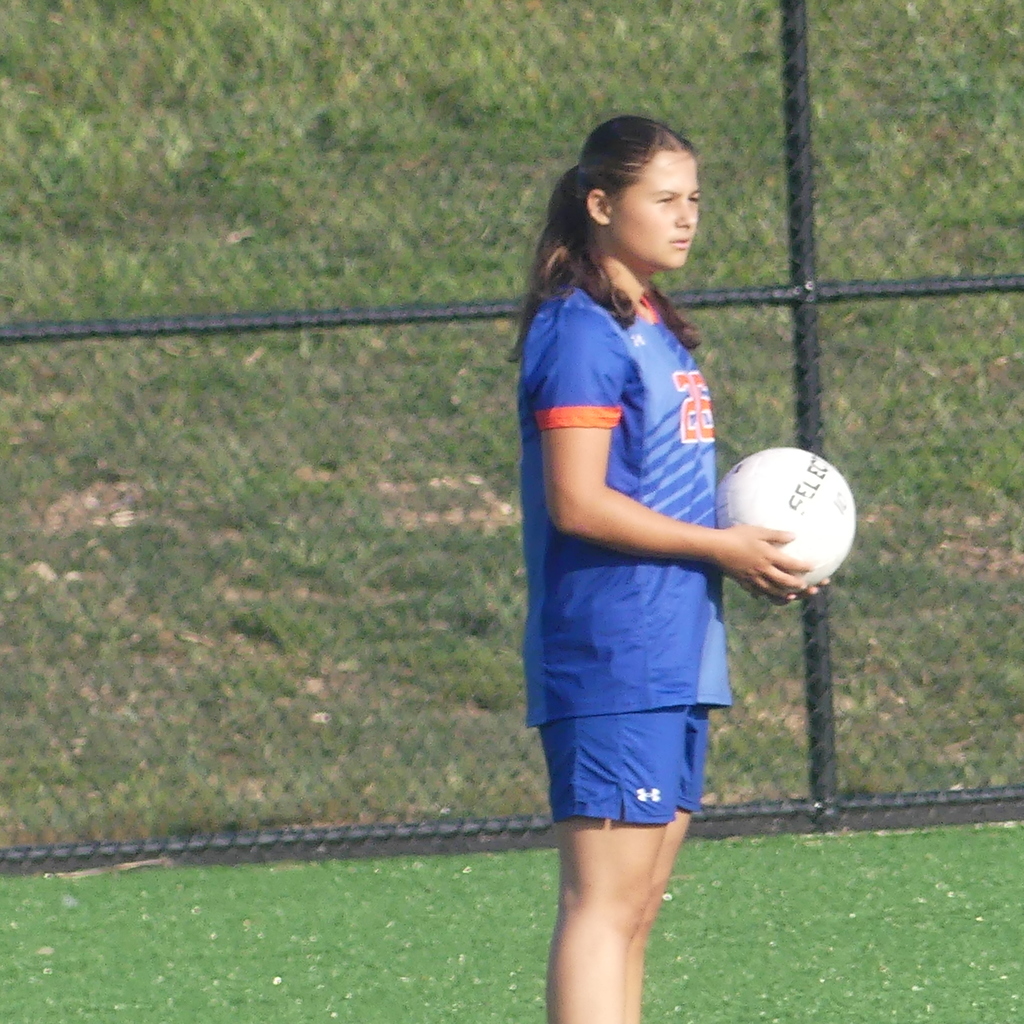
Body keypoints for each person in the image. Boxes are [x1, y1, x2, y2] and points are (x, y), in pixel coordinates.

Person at [515, 115, 818, 1024]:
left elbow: (667, 492)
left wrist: (767, 545)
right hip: (613, 650)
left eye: (695, 199)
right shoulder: (579, 332)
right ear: (600, 204)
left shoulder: (653, 325)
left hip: (677, 649)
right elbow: (578, 502)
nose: (687, 217)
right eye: (664, 199)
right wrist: (724, 549)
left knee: (636, 911)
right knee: (602, 910)